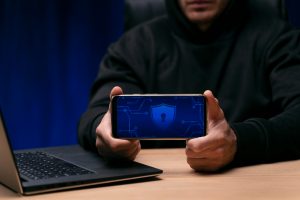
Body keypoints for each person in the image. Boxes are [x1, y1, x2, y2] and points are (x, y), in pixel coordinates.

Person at [78, 0, 300, 171]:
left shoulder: (279, 40)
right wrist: (106, 130)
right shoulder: (134, 45)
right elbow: (94, 116)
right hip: (154, 188)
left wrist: (238, 142)